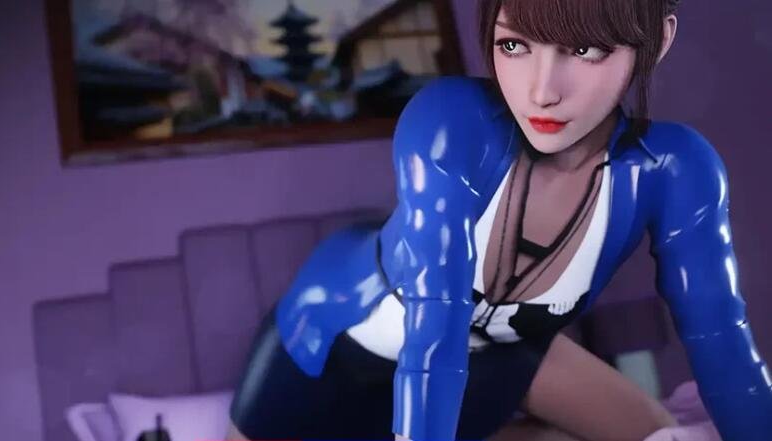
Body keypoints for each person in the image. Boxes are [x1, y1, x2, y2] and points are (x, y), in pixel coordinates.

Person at [226, 0, 772, 440]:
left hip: (501, 357)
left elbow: (723, 344)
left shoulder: (675, 167)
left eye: (584, 50)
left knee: (664, 434)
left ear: (658, 39)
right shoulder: (453, 121)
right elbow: (436, 329)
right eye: (514, 45)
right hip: (329, 349)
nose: (542, 91)